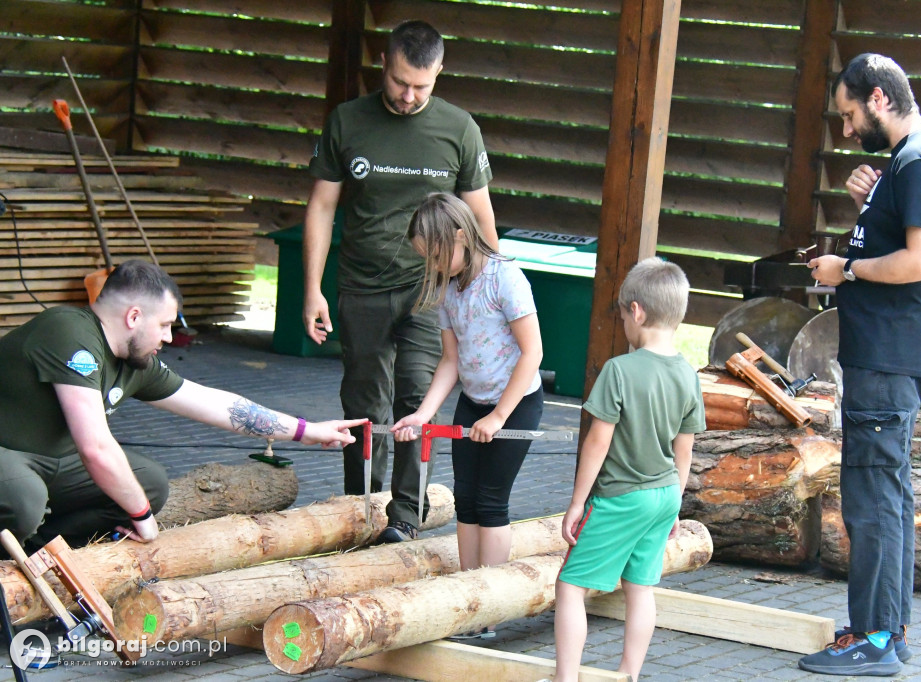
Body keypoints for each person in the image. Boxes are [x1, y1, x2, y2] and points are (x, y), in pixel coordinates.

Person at [0, 260, 365, 554]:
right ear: (133, 317)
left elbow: (215, 404)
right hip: (8, 453)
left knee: (150, 484)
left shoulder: (134, 361)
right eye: (164, 325)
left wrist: (305, 431)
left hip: (52, 462)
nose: (169, 337)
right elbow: (95, 448)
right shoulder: (70, 334)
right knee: (24, 500)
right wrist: (141, 515)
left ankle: (39, 553)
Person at [800, 54, 921, 677]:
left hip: (888, 355)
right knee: (888, 495)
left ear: (878, 98)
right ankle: (887, 632)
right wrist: (878, 200)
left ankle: (871, 640)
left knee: (870, 498)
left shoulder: (919, 159)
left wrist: (846, 269)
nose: (846, 131)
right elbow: (911, 235)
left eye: (848, 115)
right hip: (891, 354)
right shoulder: (915, 160)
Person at [302, 20, 497, 543]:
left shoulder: (459, 130)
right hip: (360, 285)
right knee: (362, 404)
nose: (410, 96)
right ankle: (358, 509)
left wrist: (487, 296)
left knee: (418, 398)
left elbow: (481, 220)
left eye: (423, 86)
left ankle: (405, 518)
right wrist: (312, 288)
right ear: (384, 66)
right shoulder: (346, 121)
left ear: (438, 73)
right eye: (401, 83)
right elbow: (321, 206)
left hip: (430, 289)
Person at [544, 258, 705, 682]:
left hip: (621, 497)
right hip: (664, 495)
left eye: (621, 314)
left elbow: (597, 442)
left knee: (570, 586)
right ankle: (628, 674)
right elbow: (684, 451)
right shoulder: (689, 374)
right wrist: (675, 508)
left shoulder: (619, 369)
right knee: (640, 588)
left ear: (636, 311)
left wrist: (577, 503)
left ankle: (566, 678)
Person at [392, 193, 543, 636]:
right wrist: (423, 413)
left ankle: (491, 605)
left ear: (461, 235)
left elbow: (532, 354)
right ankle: (468, 593)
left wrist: (499, 416)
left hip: (514, 404)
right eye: (427, 259)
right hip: (473, 402)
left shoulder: (505, 278)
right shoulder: (447, 287)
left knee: (492, 502)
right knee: (466, 498)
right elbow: (449, 362)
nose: (434, 266)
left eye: (438, 255)